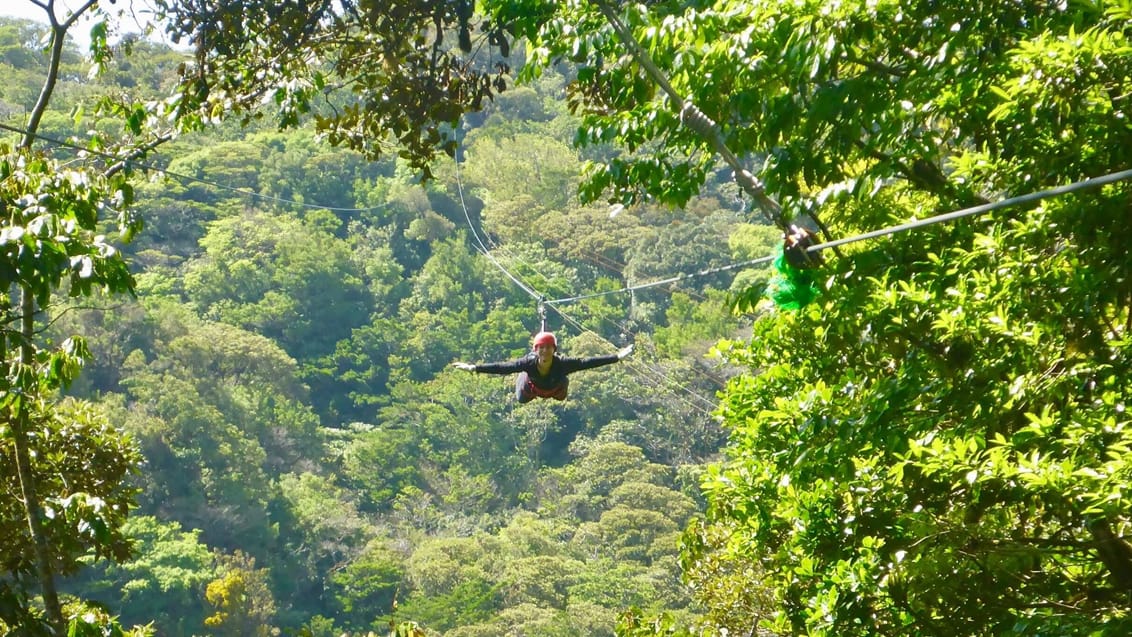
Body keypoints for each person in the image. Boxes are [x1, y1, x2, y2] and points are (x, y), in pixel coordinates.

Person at [452, 331, 633, 403]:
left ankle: (555, 387)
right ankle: (522, 379)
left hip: (555, 388)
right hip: (532, 387)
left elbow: (587, 362)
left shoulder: (562, 364)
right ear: (536, 350)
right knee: (521, 398)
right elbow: (502, 367)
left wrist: (617, 357)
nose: (545, 351)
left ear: (554, 350)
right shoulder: (528, 363)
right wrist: (474, 368)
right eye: (542, 348)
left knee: (562, 396)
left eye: (549, 348)